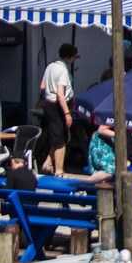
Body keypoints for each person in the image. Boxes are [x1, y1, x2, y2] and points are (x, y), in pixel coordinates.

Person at [39, 44, 78, 175]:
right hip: (58, 107)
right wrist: (67, 113)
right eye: (74, 57)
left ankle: (47, 162)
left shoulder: (50, 66)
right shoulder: (62, 70)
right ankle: (59, 171)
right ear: (70, 57)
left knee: (55, 137)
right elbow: (60, 94)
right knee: (61, 141)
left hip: (48, 105)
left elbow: (42, 86)